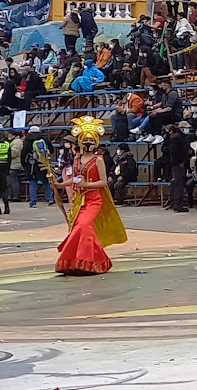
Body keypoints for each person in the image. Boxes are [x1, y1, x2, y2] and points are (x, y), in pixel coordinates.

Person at [52, 116, 127, 275]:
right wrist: (59, 185)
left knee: (84, 227)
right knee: (78, 229)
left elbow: (103, 182)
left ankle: (87, 261)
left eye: (90, 140)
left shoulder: (98, 160)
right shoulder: (77, 159)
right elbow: (75, 178)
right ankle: (87, 261)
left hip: (94, 200)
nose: (87, 143)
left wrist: (86, 185)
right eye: (85, 140)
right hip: (80, 201)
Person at [5, 130, 22, 202]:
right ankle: (12, 195)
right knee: (11, 181)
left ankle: (15, 196)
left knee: (13, 181)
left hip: (14, 165)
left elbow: (13, 153)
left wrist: (6, 154)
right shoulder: (15, 141)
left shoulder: (16, 142)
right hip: (13, 164)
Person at [0, 126, 10, 215]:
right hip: (4, 167)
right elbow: (10, 156)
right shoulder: (6, 143)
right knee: (4, 189)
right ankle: (7, 207)